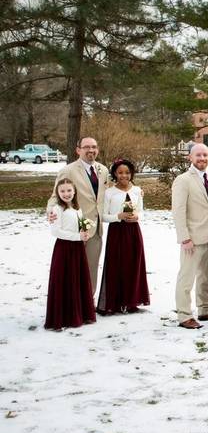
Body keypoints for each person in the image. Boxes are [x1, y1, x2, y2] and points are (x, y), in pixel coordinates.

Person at [47, 137, 108, 296]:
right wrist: (51, 211)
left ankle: (88, 302)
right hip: (74, 229)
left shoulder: (103, 170)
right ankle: (71, 304)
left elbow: (106, 194)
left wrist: (135, 192)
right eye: (86, 147)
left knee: (92, 267)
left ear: (98, 149)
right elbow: (55, 195)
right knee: (73, 269)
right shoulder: (68, 170)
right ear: (78, 150)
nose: (91, 150)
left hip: (95, 229)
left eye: (94, 147)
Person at [171, 143, 208, 329]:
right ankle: (184, 315)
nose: (202, 158)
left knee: (206, 276)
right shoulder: (183, 180)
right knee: (187, 277)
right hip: (192, 237)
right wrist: (184, 237)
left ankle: (205, 308)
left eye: (205, 155)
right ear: (190, 157)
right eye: (198, 155)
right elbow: (178, 211)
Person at [97, 159, 149, 315]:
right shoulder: (109, 193)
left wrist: (137, 217)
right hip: (117, 232)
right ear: (114, 174)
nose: (124, 175)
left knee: (134, 264)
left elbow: (142, 211)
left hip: (133, 231)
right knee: (116, 265)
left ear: (132, 173)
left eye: (127, 172)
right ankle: (114, 302)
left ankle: (131, 301)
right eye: (120, 172)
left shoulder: (137, 191)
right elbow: (104, 216)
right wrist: (118, 216)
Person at [44, 179, 97, 330]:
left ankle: (79, 313)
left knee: (77, 278)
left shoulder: (77, 208)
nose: (66, 194)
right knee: (64, 279)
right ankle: (63, 317)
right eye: (62, 191)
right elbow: (55, 231)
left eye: (69, 190)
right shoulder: (57, 209)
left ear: (74, 191)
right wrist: (76, 237)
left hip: (78, 249)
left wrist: (84, 233)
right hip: (64, 248)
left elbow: (79, 225)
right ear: (58, 193)